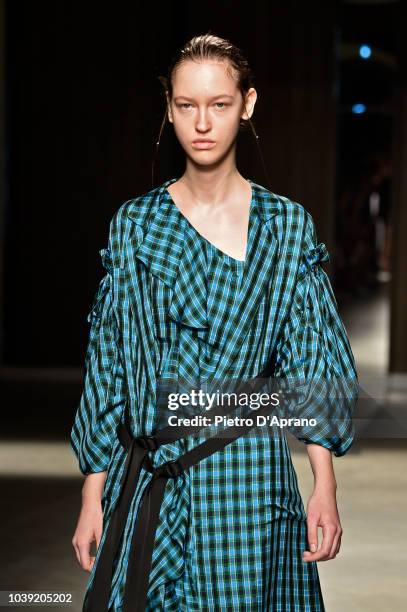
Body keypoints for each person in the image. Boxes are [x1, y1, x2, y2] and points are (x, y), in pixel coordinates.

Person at [70, 33, 359, 612]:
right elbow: (110, 361)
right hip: (154, 475)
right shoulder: (135, 226)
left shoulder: (285, 228)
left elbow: (310, 359)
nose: (203, 123)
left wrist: (323, 485)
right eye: (187, 106)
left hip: (248, 475)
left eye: (220, 104)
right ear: (170, 109)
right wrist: (92, 490)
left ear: (247, 104)